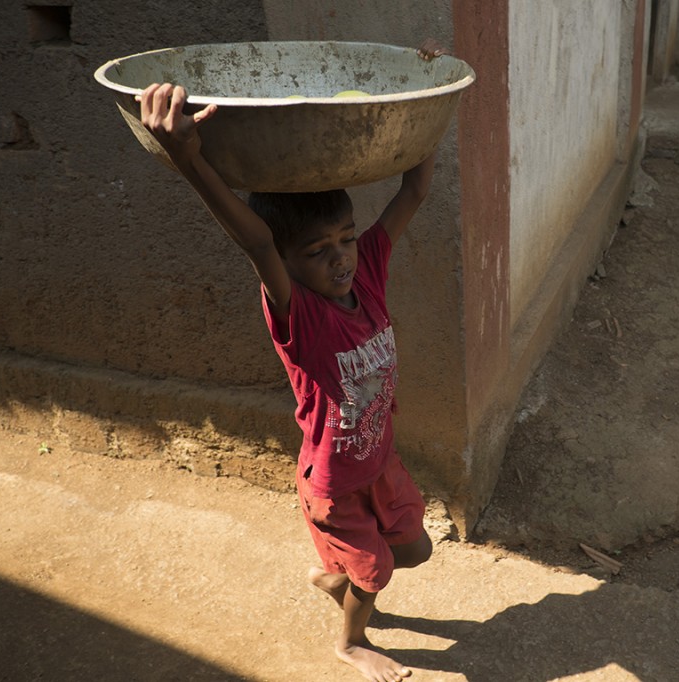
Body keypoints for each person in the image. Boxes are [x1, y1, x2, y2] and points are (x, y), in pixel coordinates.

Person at [137, 39, 448, 682]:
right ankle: (351, 641)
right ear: (289, 264)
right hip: (334, 483)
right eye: (316, 251)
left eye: (346, 240)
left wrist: (428, 90)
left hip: (380, 461)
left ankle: (339, 578)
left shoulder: (368, 278)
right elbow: (253, 238)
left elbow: (415, 185)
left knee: (414, 550)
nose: (339, 259)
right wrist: (189, 159)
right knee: (378, 574)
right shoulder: (299, 315)